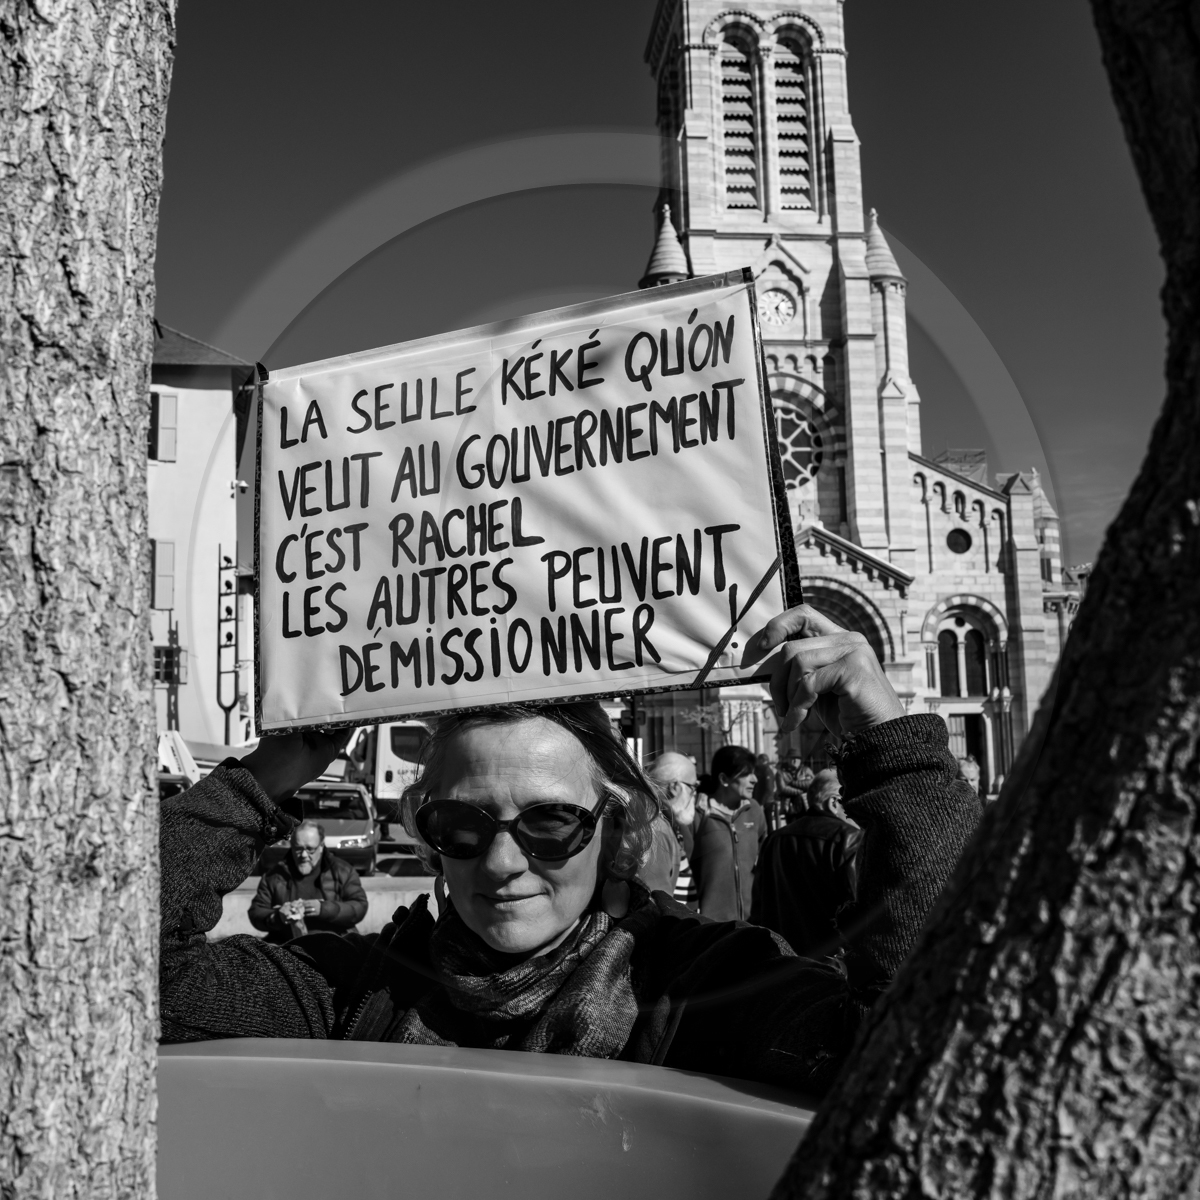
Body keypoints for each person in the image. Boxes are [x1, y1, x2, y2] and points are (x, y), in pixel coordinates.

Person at [159, 604, 980, 1097]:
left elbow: (941, 1050)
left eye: (550, 824)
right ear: (427, 833)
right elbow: (125, 978)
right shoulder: (360, 989)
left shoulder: (708, 989)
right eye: (462, 827)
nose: (502, 864)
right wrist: (266, 775)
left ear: (615, 830)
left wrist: (895, 749)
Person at [750, 766, 865, 959]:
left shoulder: (775, 839)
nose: (860, 812)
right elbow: (859, 913)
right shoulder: (850, 839)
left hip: (783, 960)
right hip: (833, 962)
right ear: (834, 802)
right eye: (855, 803)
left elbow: (759, 909)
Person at [248, 821, 368, 944]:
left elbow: (359, 907)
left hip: (335, 944)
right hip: (288, 945)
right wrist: (278, 916)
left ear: (321, 846)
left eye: (310, 849)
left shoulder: (342, 871)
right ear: (291, 845)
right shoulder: (275, 875)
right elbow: (256, 912)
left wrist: (324, 909)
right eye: (298, 849)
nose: (304, 855)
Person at [689, 745, 768, 921]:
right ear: (724, 779)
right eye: (746, 774)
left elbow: (764, 863)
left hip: (752, 923)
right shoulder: (696, 814)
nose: (754, 779)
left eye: (753, 773)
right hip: (710, 926)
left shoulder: (754, 810)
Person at [642, 752, 700, 908]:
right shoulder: (656, 829)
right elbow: (656, 903)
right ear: (675, 787)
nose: (695, 794)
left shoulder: (663, 820)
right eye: (693, 787)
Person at [775, 756, 813, 822]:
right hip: (789, 806)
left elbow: (811, 784)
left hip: (805, 805)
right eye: (792, 758)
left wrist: (792, 783)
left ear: (800, 760)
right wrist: (801, 791)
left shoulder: (806, 770)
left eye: (797, 758)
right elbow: (783, 789)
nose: (795, 761)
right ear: (788, 759)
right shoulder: (781, 772)